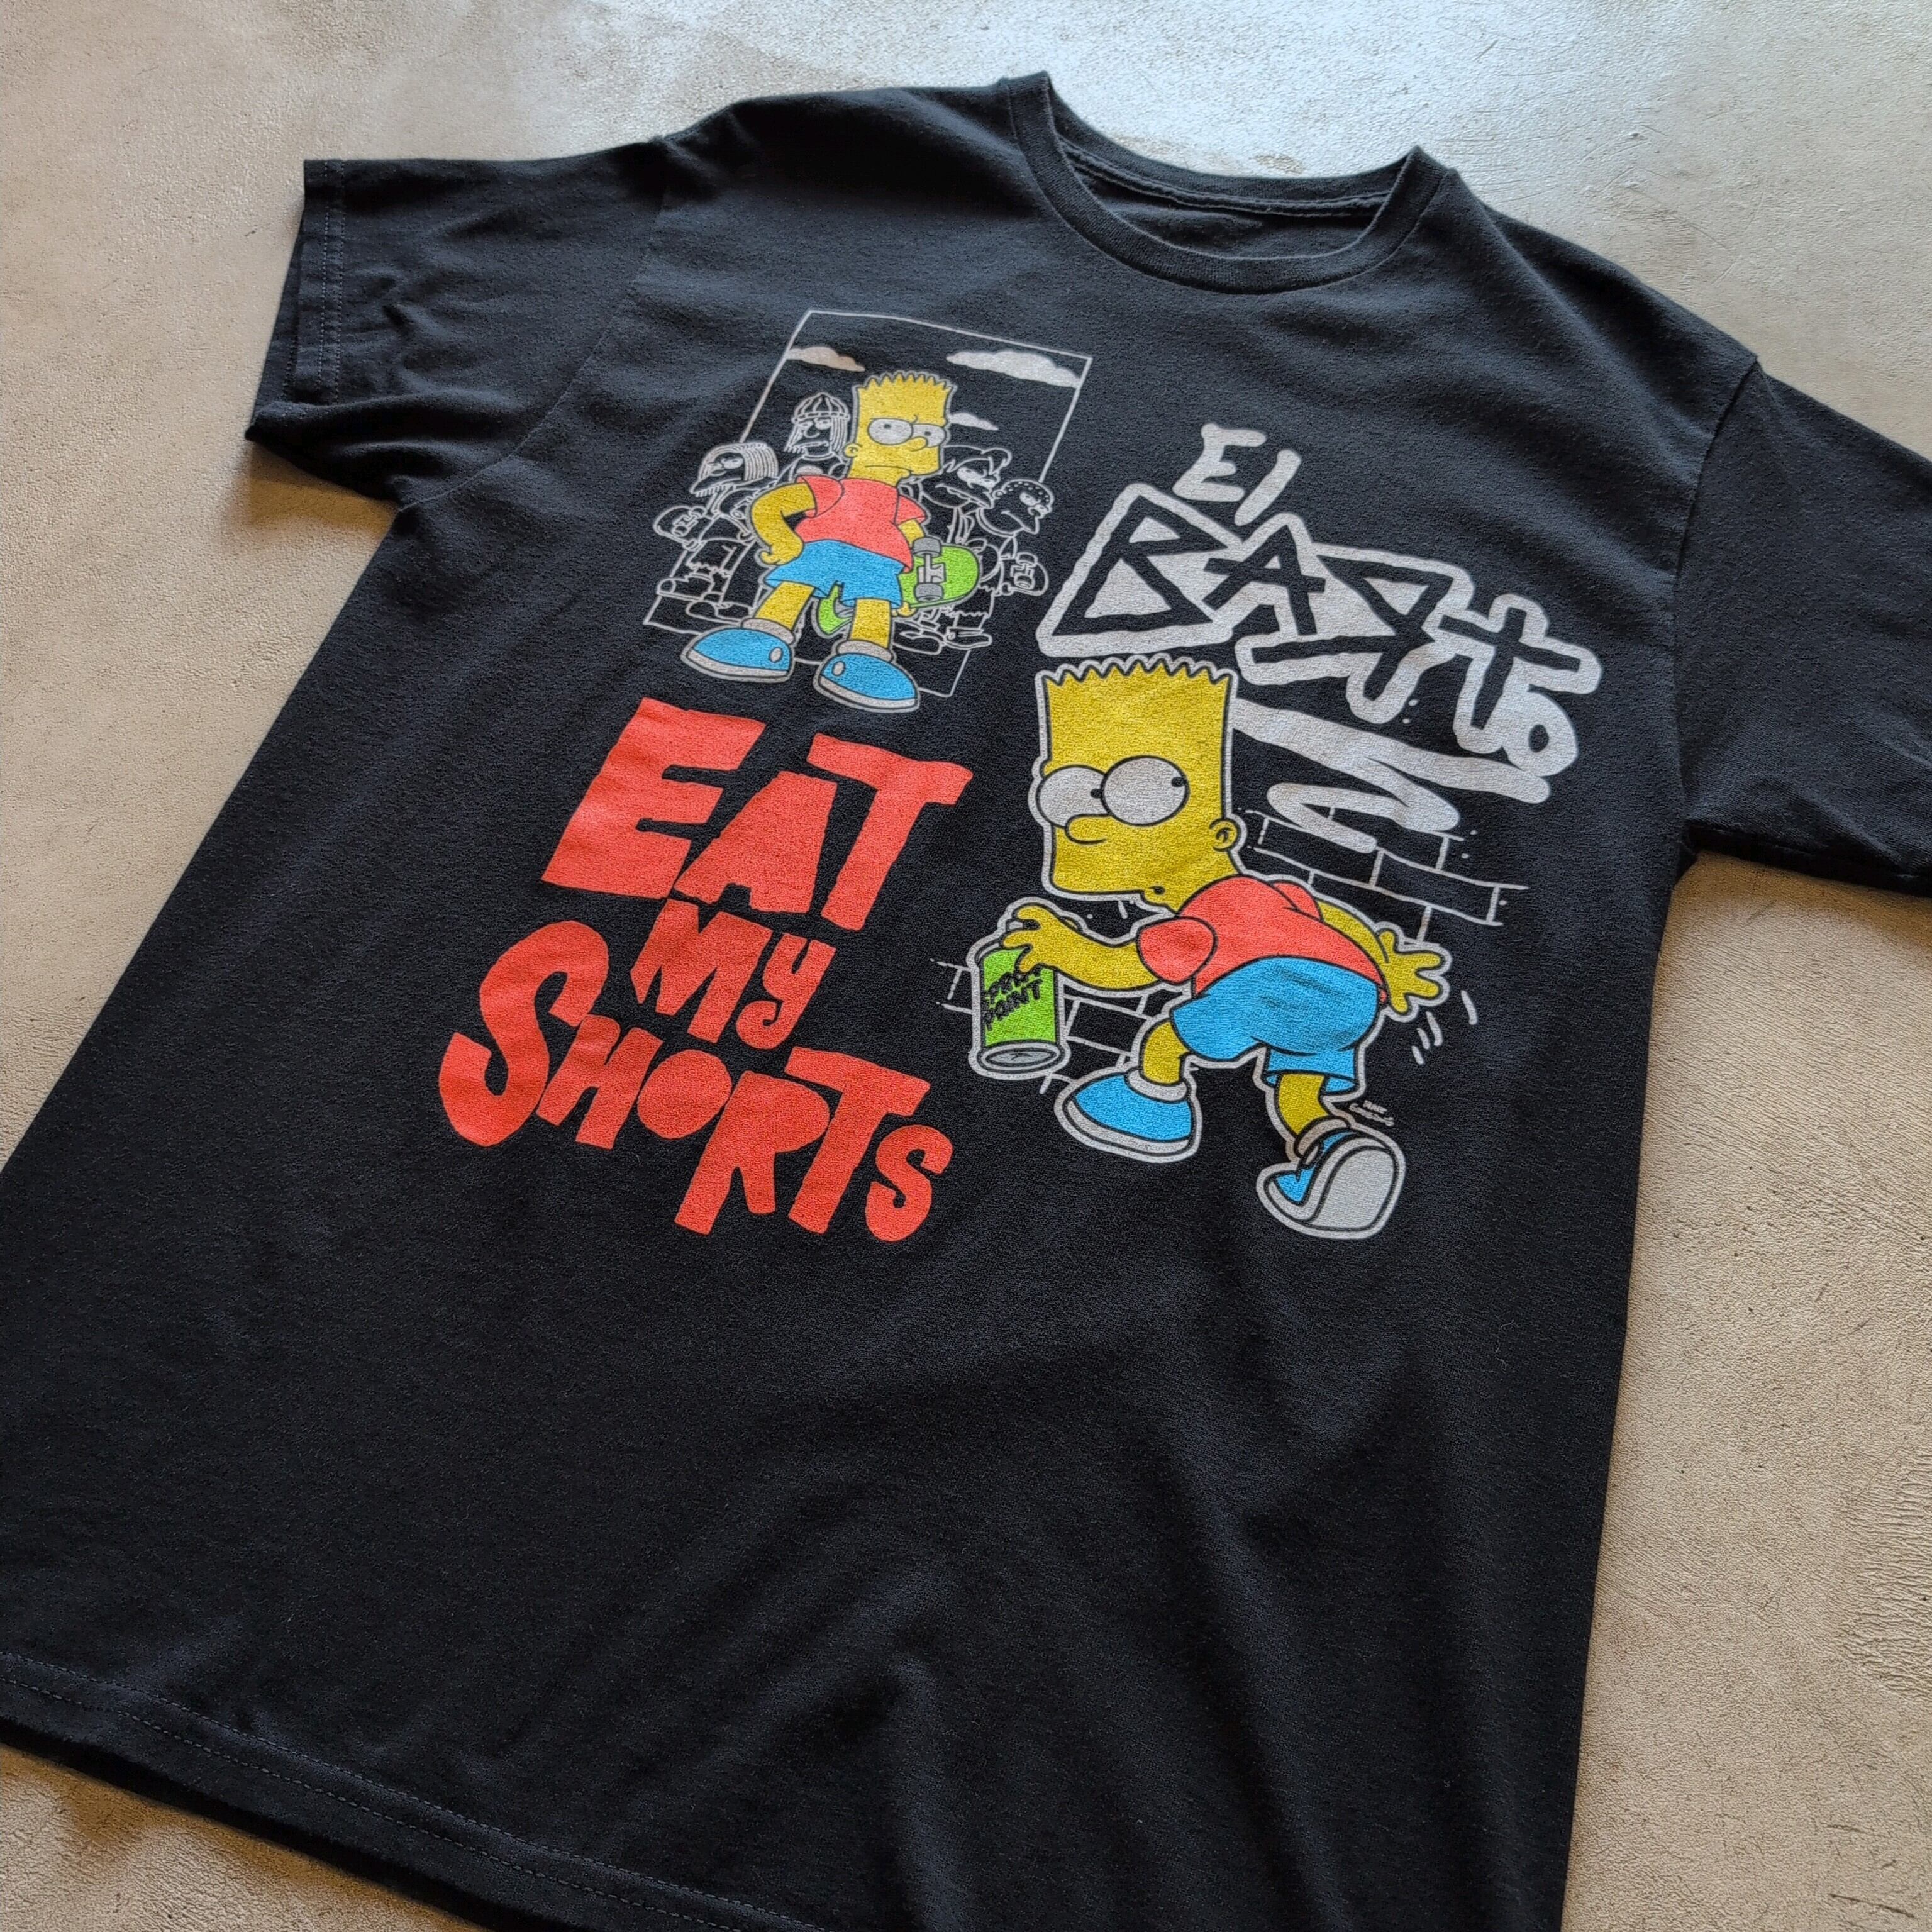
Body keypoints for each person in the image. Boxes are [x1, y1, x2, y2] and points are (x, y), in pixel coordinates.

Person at [1000, 655, 1446, 1236]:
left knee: (1164, 1043)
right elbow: (1340, 924)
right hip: (1354, 996)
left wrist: (1064, 949)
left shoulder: (1203, 918)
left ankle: (1151, 1110)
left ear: (1223, 834)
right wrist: (1387, 968)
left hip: (1264, 984)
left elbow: (1122, 968)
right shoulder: (1280, 892)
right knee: (1299, 1097)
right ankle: (1334, 1153)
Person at [681, 370, 954, 713]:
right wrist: (783, 541)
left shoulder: (902, 505)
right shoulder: (833, 488)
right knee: (795, 587)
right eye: (891, 429)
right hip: (823, 547)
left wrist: (916, 585)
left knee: (873, 605)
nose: (915, 443)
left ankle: (865, 664)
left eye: (929, 435)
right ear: (853, 447)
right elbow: (770, 506)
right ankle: (763, 639)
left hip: (879, 562)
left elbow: (919, 543)